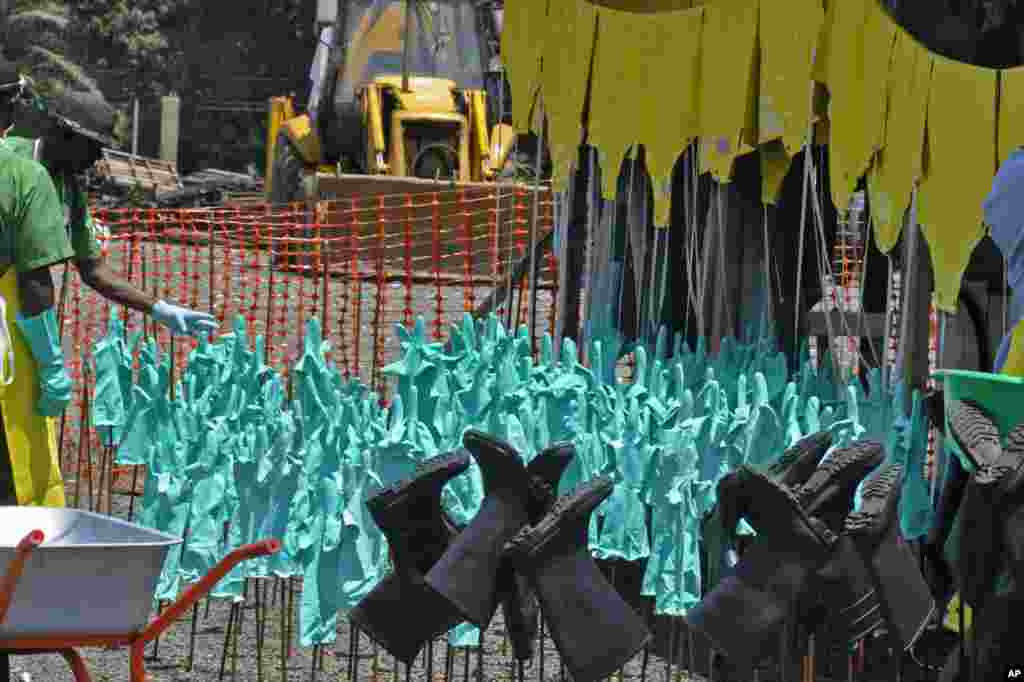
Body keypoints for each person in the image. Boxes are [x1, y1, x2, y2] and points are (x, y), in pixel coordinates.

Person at [5, 81, 220, 338]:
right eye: (92, 146)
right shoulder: (11, 161)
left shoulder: (68, 190)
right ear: (61, 134)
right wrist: (49, 357)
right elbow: (35, 275)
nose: (98, 157)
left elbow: (93, 269)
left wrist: (159, 309)